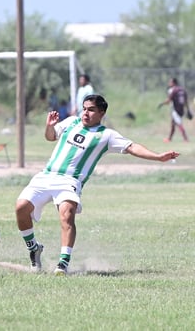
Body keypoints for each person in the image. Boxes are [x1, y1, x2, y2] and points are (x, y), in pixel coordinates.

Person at [15, 94, 179, 276]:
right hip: (45, 176)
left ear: (101, 113)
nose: (85, 113)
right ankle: (34, 249)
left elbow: (132, 147)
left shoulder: (106, 135)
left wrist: (158, 157)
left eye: (91, 109)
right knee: (21, 207)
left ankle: (63, 263)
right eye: (84, 108)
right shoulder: (70, 122)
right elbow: (50, 137)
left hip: (69, 181)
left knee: (67, 214)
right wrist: (49, 126)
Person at [159, 77, 189, 142]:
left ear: (174, 83)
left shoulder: (174, 90)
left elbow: (168, 101)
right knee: (173, 124)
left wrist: (162, 104)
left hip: (175, 109)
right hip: (181, 109)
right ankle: (169, 138)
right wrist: (188, 109)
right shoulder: (182, 89)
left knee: (179, 123)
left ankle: (186, 138)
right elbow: (186, 101)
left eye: (170, 82)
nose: (169, 83)